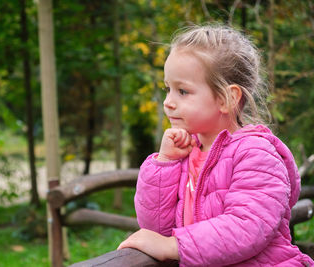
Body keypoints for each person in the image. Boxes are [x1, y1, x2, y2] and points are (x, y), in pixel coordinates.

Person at [117, 24, 314, 266]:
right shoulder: (187, 152)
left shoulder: (255, 154)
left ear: (227, 98)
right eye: (167, 89)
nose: (168, 102)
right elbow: (156, 227)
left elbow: (247, 227)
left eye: (182, 91)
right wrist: (165, 164)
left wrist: (174, 246)